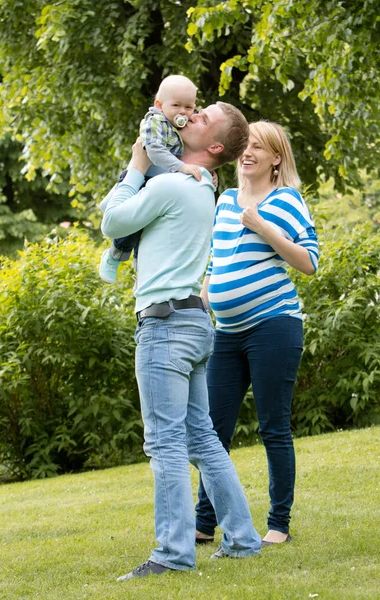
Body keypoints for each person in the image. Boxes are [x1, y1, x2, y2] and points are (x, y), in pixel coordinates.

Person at [100, 101, 261, 581]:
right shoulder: (203, 189)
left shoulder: (173, 182)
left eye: (203, 117)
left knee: (166, 442)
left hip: (165, 326)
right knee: (203, 439)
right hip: (194, 323)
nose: (191, 116)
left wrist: (136, 164)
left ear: (213, 147)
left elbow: (112, 222)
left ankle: (172, 553)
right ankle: (242, 539)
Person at [195, 121, 319, 547]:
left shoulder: (285, 200)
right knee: (212, 430)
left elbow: (308, 261)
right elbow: (216, 261)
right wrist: (201, 301)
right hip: (225, 333)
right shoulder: (225, 200)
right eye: (244, 145)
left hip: (274, 326)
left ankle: (278, 524)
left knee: (273, 427)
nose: (247, 152)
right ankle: (203, 524)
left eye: (258, 147)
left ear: (276, 158)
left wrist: (263, 226)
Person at [99, 74, 202, 285]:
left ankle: (141, 268)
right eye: (176, 105)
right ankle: (116, 253)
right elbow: (153, 150)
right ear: (159, 104)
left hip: (159, 180)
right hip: (143, 178)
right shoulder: (155, 121)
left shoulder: (181, 124)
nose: (183, 112)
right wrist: (181, 167)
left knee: (151, 228)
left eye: (189, 107)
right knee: (133, 223)